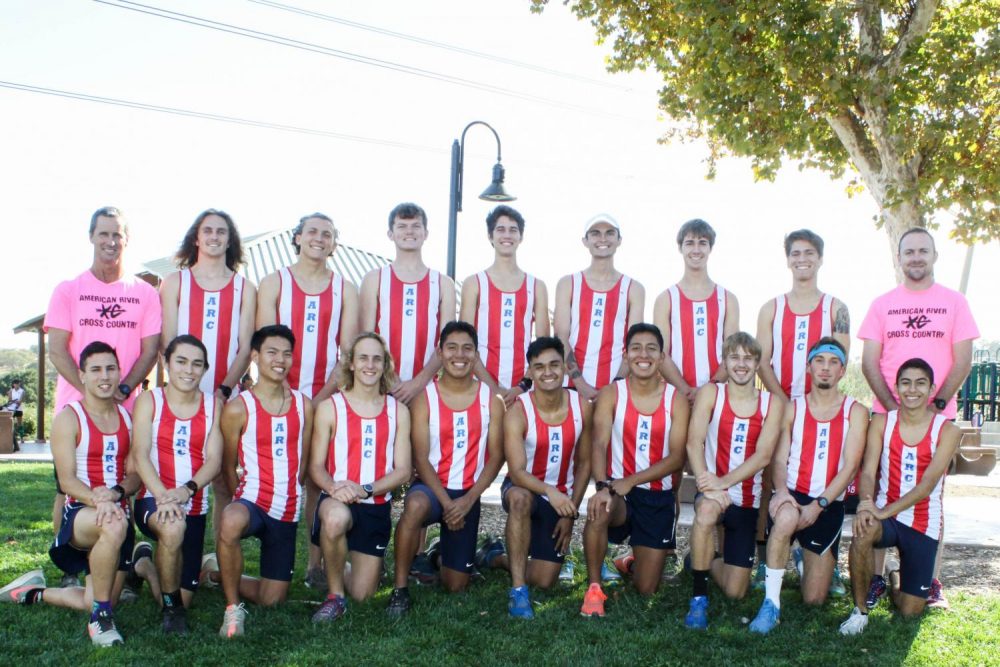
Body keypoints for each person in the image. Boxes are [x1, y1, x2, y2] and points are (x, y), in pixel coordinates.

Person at [857, 227, 978, 609]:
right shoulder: (882, 304)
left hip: (936, 416)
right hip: (889, 414)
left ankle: (930, 581)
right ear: (899, 257)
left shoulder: (955, 302)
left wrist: (936, 403)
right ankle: (875, 579)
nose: (915, 257)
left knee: (933, 498)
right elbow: (869, 362)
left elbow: (963, 360)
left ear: (934, 256)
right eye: (908, 251)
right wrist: (894, 409)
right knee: (879, 491)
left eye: (923, 251)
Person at [1, 342, 140, 647]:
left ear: (119, 373)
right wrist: (99, 500)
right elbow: (66, 481)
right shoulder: (69, 417)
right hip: (81, 514)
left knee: (95, 596)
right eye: (96, 370)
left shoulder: (129, 419)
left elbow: (135, 475)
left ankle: (34, 592)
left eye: (111, 368)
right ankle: (100, 621)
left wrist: (116, 493)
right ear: (82, 375)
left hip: (116, 510)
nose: (104, 376)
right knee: (113, 524)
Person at [43, 206, 161, 538]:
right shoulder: (67, 290)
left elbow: (150, 350)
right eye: (104, 234)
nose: (110, 241)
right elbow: (57, 350)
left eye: (117, 234)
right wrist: (90, 394)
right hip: (77, 408)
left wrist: (121, 391)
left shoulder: (145, 293)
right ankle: (66, 565)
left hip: (125, 408)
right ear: (91, 237)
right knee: (66, 486)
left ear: (127, 239)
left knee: (127, 481)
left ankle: (123, 556)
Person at [256, 212, 358, 589]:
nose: (319, 238)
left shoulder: (345, 289)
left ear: (334, 243)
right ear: (297, 238)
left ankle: (315, 565)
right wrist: (286, 396)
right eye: (312, 232)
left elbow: (347, 353)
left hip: (326, 397)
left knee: (317, 477)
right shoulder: (273, 283)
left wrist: (320, 398)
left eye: (327, 234)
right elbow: (265, 345)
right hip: (278, 397)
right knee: (276, 474)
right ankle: (272, 553)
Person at [753, 229, 851, 594]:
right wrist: (784, 401)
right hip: (782, 405)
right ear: (788, 259)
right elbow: (763, 361)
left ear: (820, 258)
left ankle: (825, 558)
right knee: (772, 479)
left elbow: (838, 359)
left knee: (827, 474)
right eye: (795, 253)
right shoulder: (771, 307)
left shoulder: (836, 308)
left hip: (822, 408)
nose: (802, 259)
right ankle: (768, 559)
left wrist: (814, 403)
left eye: (809, 253)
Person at [747, 338, 867, 634]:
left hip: (828, 503)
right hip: (793, 494)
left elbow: (850, 465)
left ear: (842, 370)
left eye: (833, 362)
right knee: (786, 518)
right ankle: (771, 605)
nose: (826, 368)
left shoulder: (856, 411)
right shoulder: (792, 408)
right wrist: (782, 492)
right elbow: (779, 460)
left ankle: (802, 557)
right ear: (810, 367)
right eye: (820, 361)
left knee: (814, 599)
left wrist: (819, 505)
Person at [159, 208, 256, 570]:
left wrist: (224, 389)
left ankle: (213, 557)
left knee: (221, 479)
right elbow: (167, 341)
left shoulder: (245, 287)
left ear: (230, 240)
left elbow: (247, 346)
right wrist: (183, 389)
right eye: (208, 230)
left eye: (221, 231)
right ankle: (166, 550)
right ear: (196, 238)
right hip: (179, 397)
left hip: (222, 397)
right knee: (174, 471)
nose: (214, 236)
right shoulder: (174, 283)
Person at [387, 322, 505, 615]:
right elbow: (421, 458)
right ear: (440, 352)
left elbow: (496, 457)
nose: (459, 355)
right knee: (413, 505)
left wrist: (466, 501)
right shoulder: (424, 398)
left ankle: (440, 553)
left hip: (468, 493)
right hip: (431, 489)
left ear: (476, 356)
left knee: (455, 585)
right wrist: (447, 503)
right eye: (451, 347)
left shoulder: (492, 399)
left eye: (467, 348)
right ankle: (400, 590)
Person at [840, 358, 960, 635]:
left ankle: (894, 573)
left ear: (931, 390)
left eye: (920, 383)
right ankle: (860, 611)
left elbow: (927, 485)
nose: (912, 390)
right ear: (896, 388)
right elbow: (868, 471)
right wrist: (868, 504)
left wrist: (882, 511)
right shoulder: (881, 422)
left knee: (909, 610)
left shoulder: (948, 430)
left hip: (922, 523)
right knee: (863, 530)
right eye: (905, 383)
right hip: (886, 517)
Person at [477, 336, 592, 619]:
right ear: (530, 371)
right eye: (539, 366)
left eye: (554, 364)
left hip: (561, 497)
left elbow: (586, 463)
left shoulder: (581, 406)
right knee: (518, 499)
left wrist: (570, 513)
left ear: (564, 368)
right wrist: (550, 492)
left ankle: (495, 556)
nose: (548, 372)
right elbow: (516, 472)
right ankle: (518, 592)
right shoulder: (517, 410)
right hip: (525, 487)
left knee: (544, 579)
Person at [580, 323, 689, 617]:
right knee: (599, 509)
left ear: (662, 357)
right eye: (636, 348)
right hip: (618, 495)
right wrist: (603, 486)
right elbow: (599, 444)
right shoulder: (611, 394)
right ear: (626, 355)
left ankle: (629, 562)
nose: (644, 354)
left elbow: (678, 457)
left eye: (651, 348)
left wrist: (633, 480)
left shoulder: (675, 399)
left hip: (657, 497)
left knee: (646, 590)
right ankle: (593, 589)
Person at [213, 325, 313, 638]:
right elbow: (228, 466)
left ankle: (215, 575)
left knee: (273, 599)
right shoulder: (238, 408)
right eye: (272, 352)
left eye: (286, 353)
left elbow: (305, 461)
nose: (280, 359)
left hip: (287, 510)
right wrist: (235, 501)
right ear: (255, 356)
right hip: (253, 500)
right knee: (230, 520)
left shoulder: (304, 405)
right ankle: (233, 610)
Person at [308, 332, 412, 622]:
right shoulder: (331, 407)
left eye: (377, 359)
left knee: (364, 594)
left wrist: (366, 489)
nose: (370, 364)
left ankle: (343, 564)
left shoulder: (398, 411)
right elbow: (315, 466)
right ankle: (334, 597)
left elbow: (403, 470)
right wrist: (333, 488)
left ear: (385, 365)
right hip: (336, 500)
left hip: (374, 504)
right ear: (351, 364)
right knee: (335, 519)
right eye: (363, 358)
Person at [683, 332, 783, 630]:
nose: (741, 364)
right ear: (724, 362)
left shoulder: (771, 403)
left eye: (748, 358)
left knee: (735, 591)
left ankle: (699, 559)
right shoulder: (711, 393)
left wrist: (722, 483)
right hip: (712, 493)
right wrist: (708, 487)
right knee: (705, 513)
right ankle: (698, 600)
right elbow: (693, 443)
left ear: (757, 363)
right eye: (734, 357)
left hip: (746, 499)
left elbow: (764, 456)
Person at [129, 335, 224, 633]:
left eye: (197, 364)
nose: (188, 370)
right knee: (171, 528)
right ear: (166, 363)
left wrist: (186, 490)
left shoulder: (213, 406)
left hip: (192, 505)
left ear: (205, 369)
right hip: (152, 501)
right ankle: (172, 614)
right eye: (181, 361)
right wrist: (163, 496)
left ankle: (143, 564)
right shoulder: (150, 400)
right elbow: (140, 454)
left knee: (185, 595)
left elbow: (214, 461)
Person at [360, 202, 456, 405]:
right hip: (382, 386)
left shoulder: (443, 283)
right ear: (390, 233)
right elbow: (366, 338)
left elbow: (446, 343)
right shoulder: (374, 279)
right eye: (402, 226)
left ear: (426, 233)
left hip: (427, 389)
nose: (409, 231)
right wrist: (391, 380)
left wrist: (417, 383)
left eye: (416, 226)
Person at [460, 205, 550, 406]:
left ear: (521, 237)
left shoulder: (536, 286)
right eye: (500, 229)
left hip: (524, 389)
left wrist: (523, 385)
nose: (507, 235)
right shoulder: (474, 283)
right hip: (481, 386)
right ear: (490, 236)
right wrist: (493, 387)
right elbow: (465, 344)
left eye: (513, 230)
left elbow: (544, 346)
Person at [554, 214, 644, 403]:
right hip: (571, 388)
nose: (603, 238)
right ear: (585, 241)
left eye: (609, 233)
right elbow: (561, 337)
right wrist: (581, 385)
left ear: (619, 240)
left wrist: (614, 387)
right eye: (595, 233)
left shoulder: (633, 288)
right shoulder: (568, 283)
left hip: (615, 390)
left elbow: (634, 343)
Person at [5, 379, 25, 449]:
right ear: (13, 384)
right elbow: (9, 400)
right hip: (11, 409)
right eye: (15, 384)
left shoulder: (22, 391)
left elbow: (20, 401)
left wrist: (15, 401)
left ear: (19, 384)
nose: (16, 385)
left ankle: (22, 438)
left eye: (18, 383)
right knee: (10, 424)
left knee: (20, 424)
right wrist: (10, 396)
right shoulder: (11, 390)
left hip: (18, 409)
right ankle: (11, 438)